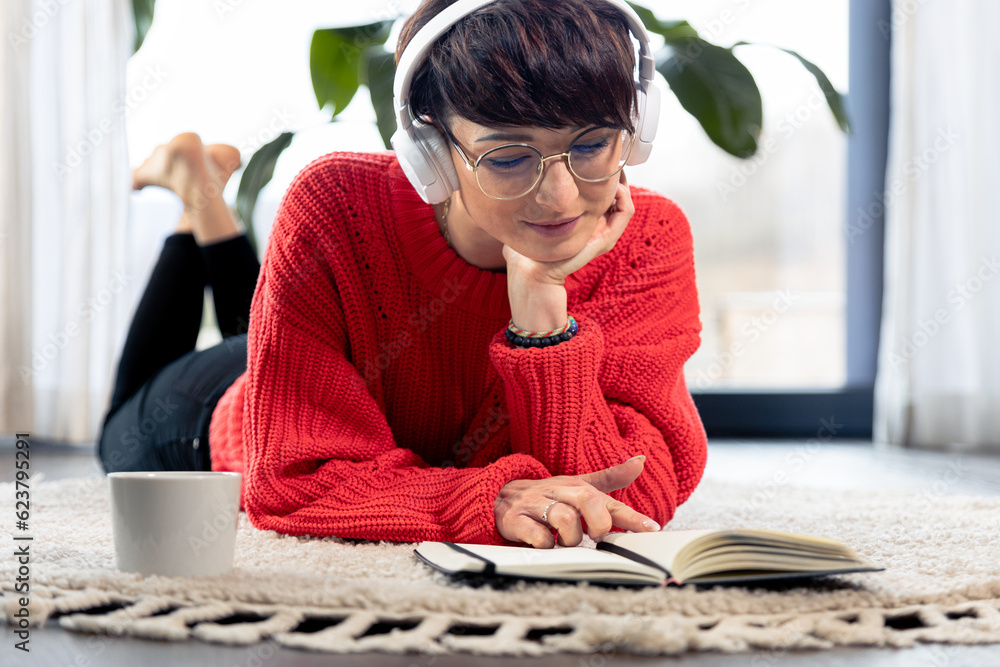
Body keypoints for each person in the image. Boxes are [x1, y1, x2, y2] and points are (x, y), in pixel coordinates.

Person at [98, 0, 708, 550]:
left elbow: (632, 496)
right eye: (508, 156)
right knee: (119, 428)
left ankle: (199, 193)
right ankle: (197, 198)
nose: (560, 197)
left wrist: (544, 317)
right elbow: (295, 480)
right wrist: (484, 500)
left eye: (593, 144)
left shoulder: (649, 237)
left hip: (329, 376)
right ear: (430, 149)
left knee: (251, 324)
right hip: (216, 409)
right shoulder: (336, 203)